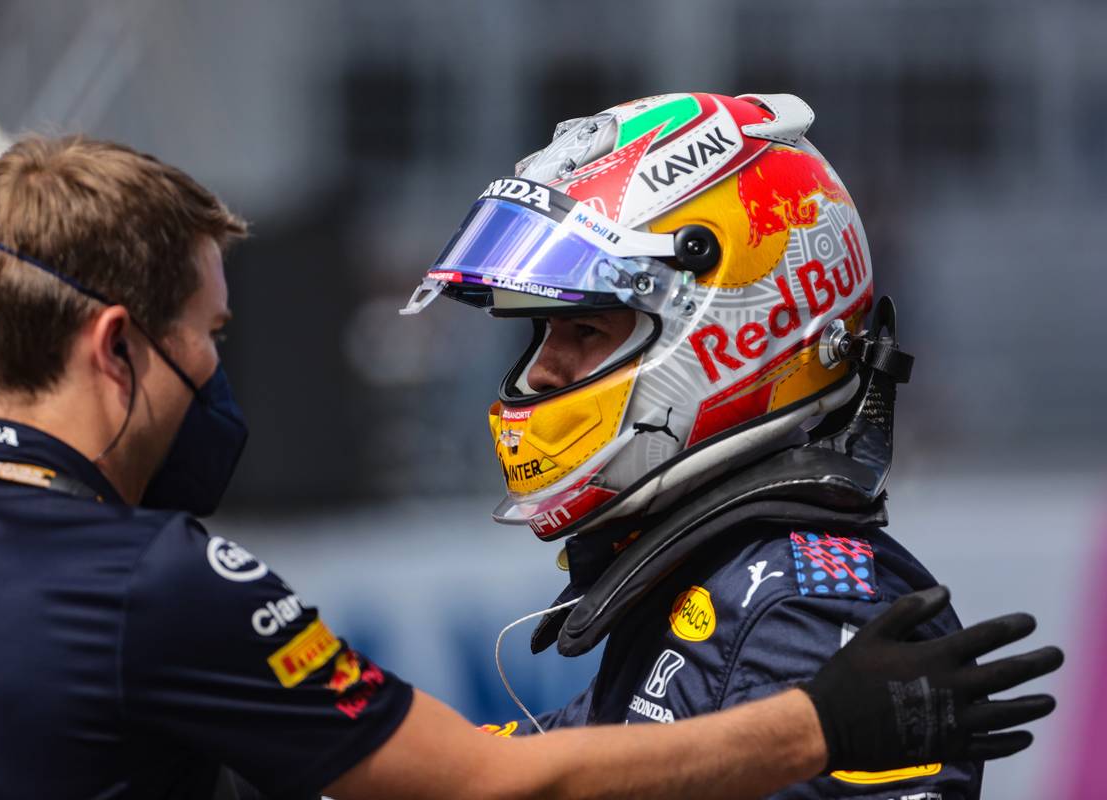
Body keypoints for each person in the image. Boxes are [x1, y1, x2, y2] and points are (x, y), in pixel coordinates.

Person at [0, 135, 1060, 800]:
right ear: (119, 344)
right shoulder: (155, 579)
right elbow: (476, 785)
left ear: (738, 325)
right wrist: (823, 722)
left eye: (575, 331)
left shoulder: (807, 591)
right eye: (210, 335)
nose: (537, 378)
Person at [401, 91, 1042, 798]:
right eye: (540, 333)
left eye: (584, 332)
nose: (543, 373)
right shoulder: (715, 573)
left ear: (727, 334)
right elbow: (555, 771)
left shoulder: (794, 612)